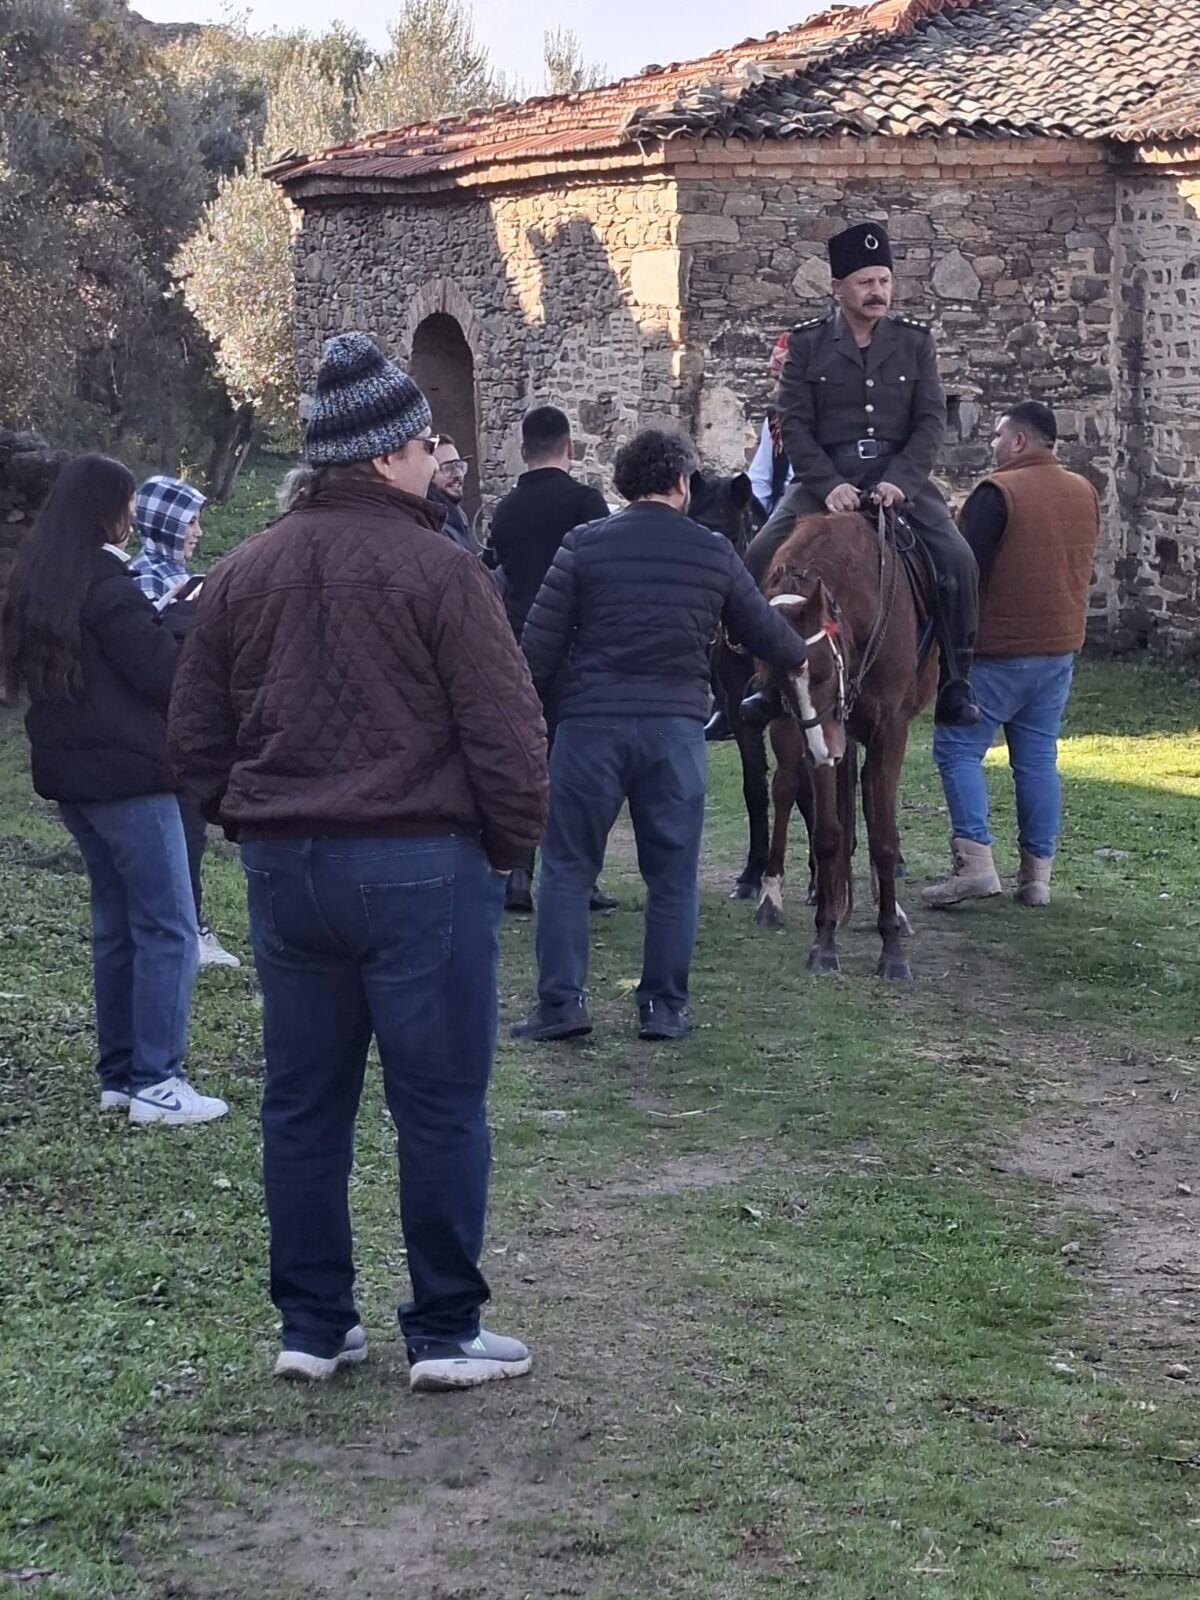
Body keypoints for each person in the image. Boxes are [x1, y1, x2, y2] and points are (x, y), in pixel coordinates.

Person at [170, 332, 549, 1392]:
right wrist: (503, 854)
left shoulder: (243, 571)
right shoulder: (444, 571)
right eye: (428, 440)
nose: (438, 456)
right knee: (436, 1104)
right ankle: (444, 1329)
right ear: (385, 454)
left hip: (288, 871)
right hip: (423, 866)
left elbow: (192, 737)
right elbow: (510, 734)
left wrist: (249, 822)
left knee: (302, 1101)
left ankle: (312, 1322)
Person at [511, 428, 810, 1046]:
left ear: (624, 483)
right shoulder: (712, 553)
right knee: (671, 876)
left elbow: (534, 654)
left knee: (566, 869)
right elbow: (773, 640)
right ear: (681, 483)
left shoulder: (583, 546)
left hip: (590, 726)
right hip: (674, 730)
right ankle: (663, 1008)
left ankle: (561, 1003)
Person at [0, 455, 227, 1126]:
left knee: (117, 927)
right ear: (108, 510)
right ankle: (159, 1079)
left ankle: (121, 1075)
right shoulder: (108, 582)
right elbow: (164, 674)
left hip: (73, 781)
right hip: (131, 778)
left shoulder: (41, 581)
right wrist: (188, 618)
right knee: (169, 927)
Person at [741, 221, 981, 729]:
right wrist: (828, 486)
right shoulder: (807, 345)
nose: (878, 292)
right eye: (865, 282)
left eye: (884, 281)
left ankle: (957, 680)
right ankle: (760, 681)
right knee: (759, 554)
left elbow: (931, 419)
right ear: (838, 288)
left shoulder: (916, 343)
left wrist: (903, 481)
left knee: (958, 559)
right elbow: (795, 423)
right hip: (825, 478)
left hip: (899, 480)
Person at [923, 402, 1100, 910]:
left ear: (1019, 441)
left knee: (957, 748)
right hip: (1059, 647)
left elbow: (962, 571)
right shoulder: (1084, 490)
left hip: (997, 651)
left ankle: (975, 865)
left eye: (999, 435)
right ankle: (1036, 877)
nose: (992, 444)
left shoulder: (996, 493)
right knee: (1038, 760)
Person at [488, 405, 614, 915]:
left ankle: (519, 870)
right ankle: (578, 877)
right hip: (578, 650)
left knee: (527, 760)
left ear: (523, 451)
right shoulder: (586, 502)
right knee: (580, 769)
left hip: (520, 647)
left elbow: (501, 573)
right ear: (571, 447)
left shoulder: (506, 511)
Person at [130, 476, 240, 970]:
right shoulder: (149, 579)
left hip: (176, 729)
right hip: (161, 733)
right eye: (190, 520)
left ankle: (188, 923)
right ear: (167, 523)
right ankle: (187, 929)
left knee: (188, 831)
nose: (197, 531)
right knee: (184, 833)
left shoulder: (172, 573)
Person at [746, 333, 794, 517]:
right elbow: (760, 482)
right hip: (783, 517)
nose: (776, 389)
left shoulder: (839, 420)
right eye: (776, 379)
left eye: (783, 380)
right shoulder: (776, 422)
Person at [427, 435, 477, 551]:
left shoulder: (457, 515)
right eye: (448, 468)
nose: (458, 474)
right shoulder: (435, 526)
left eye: (459, 465)